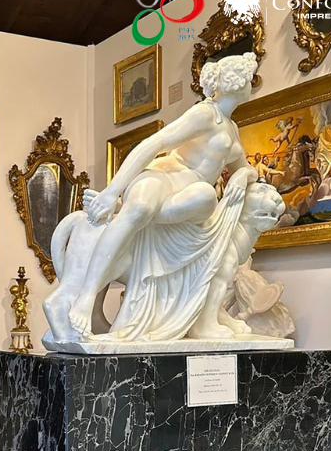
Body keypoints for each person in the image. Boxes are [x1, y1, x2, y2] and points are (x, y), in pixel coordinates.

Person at [67, 52, 260, 337]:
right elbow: (155, 143)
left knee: (207, 198)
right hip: (167, 175)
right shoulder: (205, 113)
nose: (252, 84)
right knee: (139, 210)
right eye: (250, 79)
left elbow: (245, 169)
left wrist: (244, 175)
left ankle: (123, 207)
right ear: (238, 83)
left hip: (192, 190)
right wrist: (111, 190)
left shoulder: (231, 128)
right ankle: (86, 297)